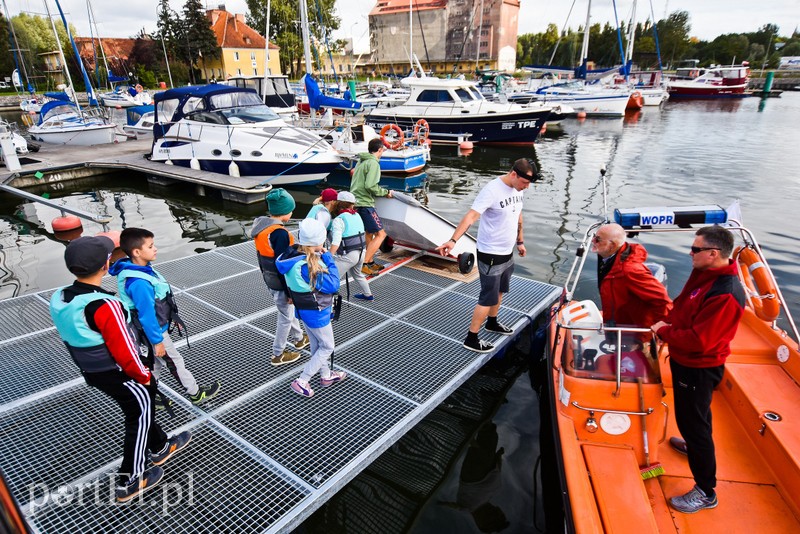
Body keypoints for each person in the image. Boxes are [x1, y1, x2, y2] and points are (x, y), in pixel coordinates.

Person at [49, 236, 191, 503]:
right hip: (122, 374)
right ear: (106, 265)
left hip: (94, 372)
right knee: (138, 414)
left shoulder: (62, 297)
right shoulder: (106, 306)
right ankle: (130, 479)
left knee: (139, 409)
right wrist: (145, 376)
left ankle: (160, 445)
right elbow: (126, 351)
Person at [651, 225, 745, 514]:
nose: (690, 254)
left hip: (699, 368)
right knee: (696, 416)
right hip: (685, 362)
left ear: (713, 253)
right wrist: (667, 319)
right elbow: (683, 305)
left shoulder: (725, 294)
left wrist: (665, 331)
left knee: (695, 424)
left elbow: (700, 341)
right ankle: (694, 446)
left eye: (695, 249)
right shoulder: (705, 273)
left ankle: (706, 491)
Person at [111, 228, 221, 405]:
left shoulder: (140, 270)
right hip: (154, 333)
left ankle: (148, 396)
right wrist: (157, 341)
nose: (155, 249)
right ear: (137, 252)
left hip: (152, 329)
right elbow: (147, 315)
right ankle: (196, 393)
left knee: (154, 364)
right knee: (174, 361)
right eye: (151, 246)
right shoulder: (139, 283)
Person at [435, 158, 536, 353]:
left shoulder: (518, 190)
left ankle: (492, 322)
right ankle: (471, 338)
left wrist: (520, 241)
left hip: (508, 251)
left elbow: (518, 215)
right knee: (487, 297)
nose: (526, 187)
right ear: (514, 174)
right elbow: (471, 216)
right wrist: (453, 240)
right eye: (524, 183)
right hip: (490, 252)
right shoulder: (491, 190)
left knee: (500, 290)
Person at [276, 219, 343, 398]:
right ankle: (302, 380)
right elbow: (333, 284)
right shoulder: (309, 266)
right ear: (318, 242)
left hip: (304, 310)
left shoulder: (292, 258)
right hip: (317, 312)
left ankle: (326, 375)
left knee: (317, 345)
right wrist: (328, 258)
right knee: (328, 346)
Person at [251, 188, 311, 366]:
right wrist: (290, 292)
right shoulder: (280, 234)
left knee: (287, 312)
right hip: (281, 283)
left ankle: (299, 338)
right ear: (287, 212)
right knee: (285, 317)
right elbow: (283, 264)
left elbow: (270, 257)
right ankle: (278, 354)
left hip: (269, 279)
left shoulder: (263, 228)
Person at [592, 222, 672, 341]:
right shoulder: (608, 259)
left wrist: (655, 333)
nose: (593, 240)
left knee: (638, 358)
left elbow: (663, 301)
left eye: (597, 239)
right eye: (594, 236)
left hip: (634, 336)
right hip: (618, 327)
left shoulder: (631, 271)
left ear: (612, 245)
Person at [350, 137, 393, 275]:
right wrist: (385, 193)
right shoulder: (373, 163)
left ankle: (369, 262)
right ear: (380, 150)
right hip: (365, 203)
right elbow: (370, 186)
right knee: (381, 234)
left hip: (356, 202)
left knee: (368, 233)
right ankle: (364, 263)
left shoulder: (361, 162)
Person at [329, 190, 372, 301]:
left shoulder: (339, 219)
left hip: (349, 255)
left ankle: (329, 306)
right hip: (362, 252)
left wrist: (329, 256)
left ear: (338, 203)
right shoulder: (357, 215)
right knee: (358, 274)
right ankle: (368, 295)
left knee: (332, 278)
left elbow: (336, 241)